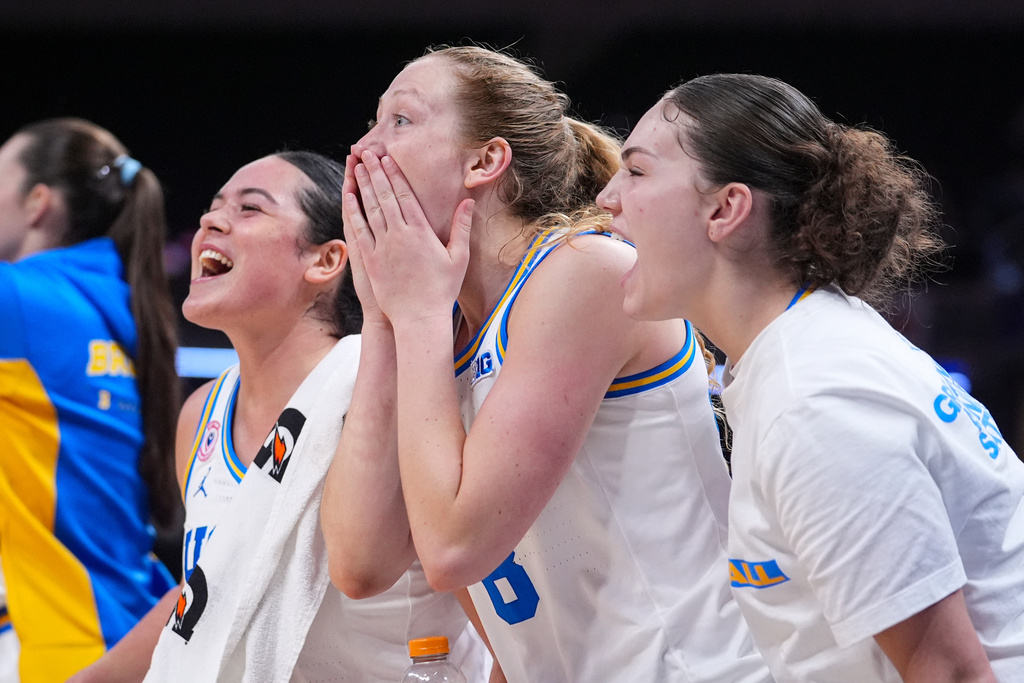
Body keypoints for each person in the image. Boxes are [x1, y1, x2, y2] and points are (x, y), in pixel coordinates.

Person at [320, 45, 771, 682]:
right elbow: (360, 563)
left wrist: (416, 315)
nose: (364, 149)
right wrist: (383, 318)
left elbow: (453, 550)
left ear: (485, 160)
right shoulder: (442, 325)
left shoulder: (586, 271)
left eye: (401, 120)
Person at [595, 72, 1024, 682]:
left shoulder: (815, 402)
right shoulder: (805, 351)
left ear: (725, 208)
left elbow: (952, 673)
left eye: (636, 171)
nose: (607, 198)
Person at [72, 151, 489, 682]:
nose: (210, 221)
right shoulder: (201, 414)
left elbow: (489, 599)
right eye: (214, 206)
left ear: (325, 261)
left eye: (250, 209)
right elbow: (212, 591)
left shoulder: (385, 386)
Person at [0, 118, 179, 681]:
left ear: (37, 203)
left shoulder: (20, 300)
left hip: (60, 651)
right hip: (123, 633)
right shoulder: (124, 312)